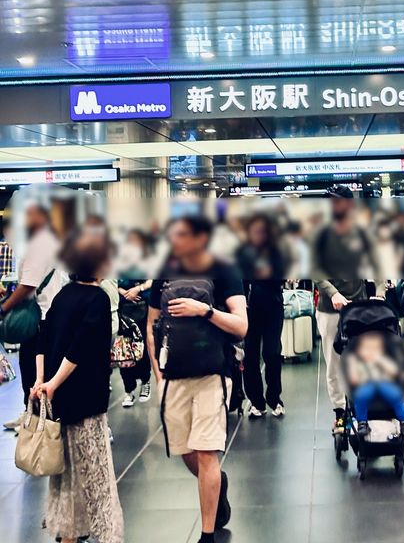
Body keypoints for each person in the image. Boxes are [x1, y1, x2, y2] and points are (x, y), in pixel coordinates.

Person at [147, 216, 247, 543]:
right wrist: (158, 372)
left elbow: (241, 326)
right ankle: (218, 483)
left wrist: (203, 310)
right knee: (186, 449)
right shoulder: (165, 271)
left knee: (207, 452)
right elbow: (152, 324)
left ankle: (207, 534)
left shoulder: (224, 269)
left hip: (213, 373)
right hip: (173, 374)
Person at [33, 230, 124, 543]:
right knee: (96, 470)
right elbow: (80, 348)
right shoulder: (98, 298)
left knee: (66, 471)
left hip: (61, 402)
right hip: (86, 397)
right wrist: (54, 383)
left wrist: (41, 381)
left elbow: (41, 339)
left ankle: (67, 533)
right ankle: (107, 533)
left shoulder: (63, 295)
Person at [312, 185, 386, 435]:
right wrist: (333, 294)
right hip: (330, 309)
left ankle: (363, 407)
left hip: (360, 308)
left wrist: (379, 293)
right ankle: (340, 412)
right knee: (334, 363)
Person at [1, 202, 66, 431]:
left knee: (33, 368)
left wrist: (4, 308)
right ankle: (30, 413)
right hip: (45, 314)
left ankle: (37, 418)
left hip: (42, 317)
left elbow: (28, 285)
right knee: (29, 365)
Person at [236, 213, 287, 418]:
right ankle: (256, 401)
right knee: (250, 356)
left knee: (272, 353)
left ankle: (274, 398)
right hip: (248, 309)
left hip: (273, 306)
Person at [345, 330, 404, 437]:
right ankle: (362, 422)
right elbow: (353, 378)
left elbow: (393, 371)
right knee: (360, 397)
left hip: (383, 383)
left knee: (396, 395)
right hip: (366, 384)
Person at [116, 229, 154, 408]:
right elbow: (109, 281)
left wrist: (137, 289)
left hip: (141, 308)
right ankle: (128, 389)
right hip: (123, 310)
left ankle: (145, 381)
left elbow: (151, 280)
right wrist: (123, 292)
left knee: (142, 346)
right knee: (124, 349)